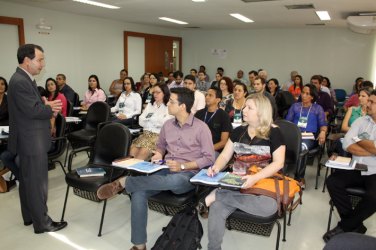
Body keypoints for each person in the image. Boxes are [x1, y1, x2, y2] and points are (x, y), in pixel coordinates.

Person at [97, 87, 215, 250]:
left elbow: (209, 158)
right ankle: (139, 245)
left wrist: (183, 165)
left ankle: (125, 182)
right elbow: (160, 147)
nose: (168, 104)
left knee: (174, 180)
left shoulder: (201, 128)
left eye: (172, 101)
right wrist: (158, 155)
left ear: (182, 106)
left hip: (187, 174)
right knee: (138, 193)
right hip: (164, 170)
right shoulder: (168, 125)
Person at [200, 93, 285, 250]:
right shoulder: (238, 131)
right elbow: (225, 155)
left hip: (262, 183)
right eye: (244, 106)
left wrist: (254, 178)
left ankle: (218, 194)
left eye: (249, 107)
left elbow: (279, 163)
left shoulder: (274, 132)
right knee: (217, 208)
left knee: (269, 208)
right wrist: (216, 167)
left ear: (261, 111)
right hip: (237, 183)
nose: (243, 110)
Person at [8, 44, 67, 233]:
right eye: (40, 60)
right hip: (31, 141)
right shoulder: (20, 81)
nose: (42, 64)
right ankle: (42, 223)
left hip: (29, 139)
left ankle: (29, 217)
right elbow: (33, 111)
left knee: (27, 181)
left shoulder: (24, 79)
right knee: (36, 183)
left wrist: (44, 103)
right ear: (27, 60)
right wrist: (51, 108)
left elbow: (30, 107)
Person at [323, 89, 376, 243]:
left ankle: (345, 226)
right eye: (369, 100)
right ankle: (355, 225)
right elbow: (347, 144)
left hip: (375, 172)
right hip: (356, 166)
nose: (368, 104)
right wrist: (370, 150)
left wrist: (357, 139)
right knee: (333, 182)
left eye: (372, 102)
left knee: (374, 197)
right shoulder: (361, 121)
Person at [285, 83, 327, 184]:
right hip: (295, 135)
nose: (304, 95)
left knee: (302, 147)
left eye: (307, 94)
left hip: (309, 137)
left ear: (312, 96)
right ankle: (281, 173)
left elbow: (323, 124)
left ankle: (299, 178)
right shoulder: (295, 106)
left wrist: (323, 132)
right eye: (303, 92)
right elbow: (287, 122)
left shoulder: (318, 108)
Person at [130, 83, 172, 160]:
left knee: (142, 153)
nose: (155, 94)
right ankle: (129, 171)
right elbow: (141, 121)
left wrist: (149, 120)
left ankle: (135, 171)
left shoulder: (169, 106)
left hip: (158, 136)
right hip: (145, 135)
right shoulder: (150, 105)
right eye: (154, 92)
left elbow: (165, 123)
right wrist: (155, 121)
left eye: (158, 92)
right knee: (132, 151)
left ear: (165, 93)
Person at [195, 87, 232, 157]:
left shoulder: (224, 116)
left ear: (218, 100)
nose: (207, 97)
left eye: (210, 95)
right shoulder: (199, 114)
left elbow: (223, 142)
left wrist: (207, 149)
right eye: (206, 95)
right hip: (197, 148)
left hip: (214, 150)